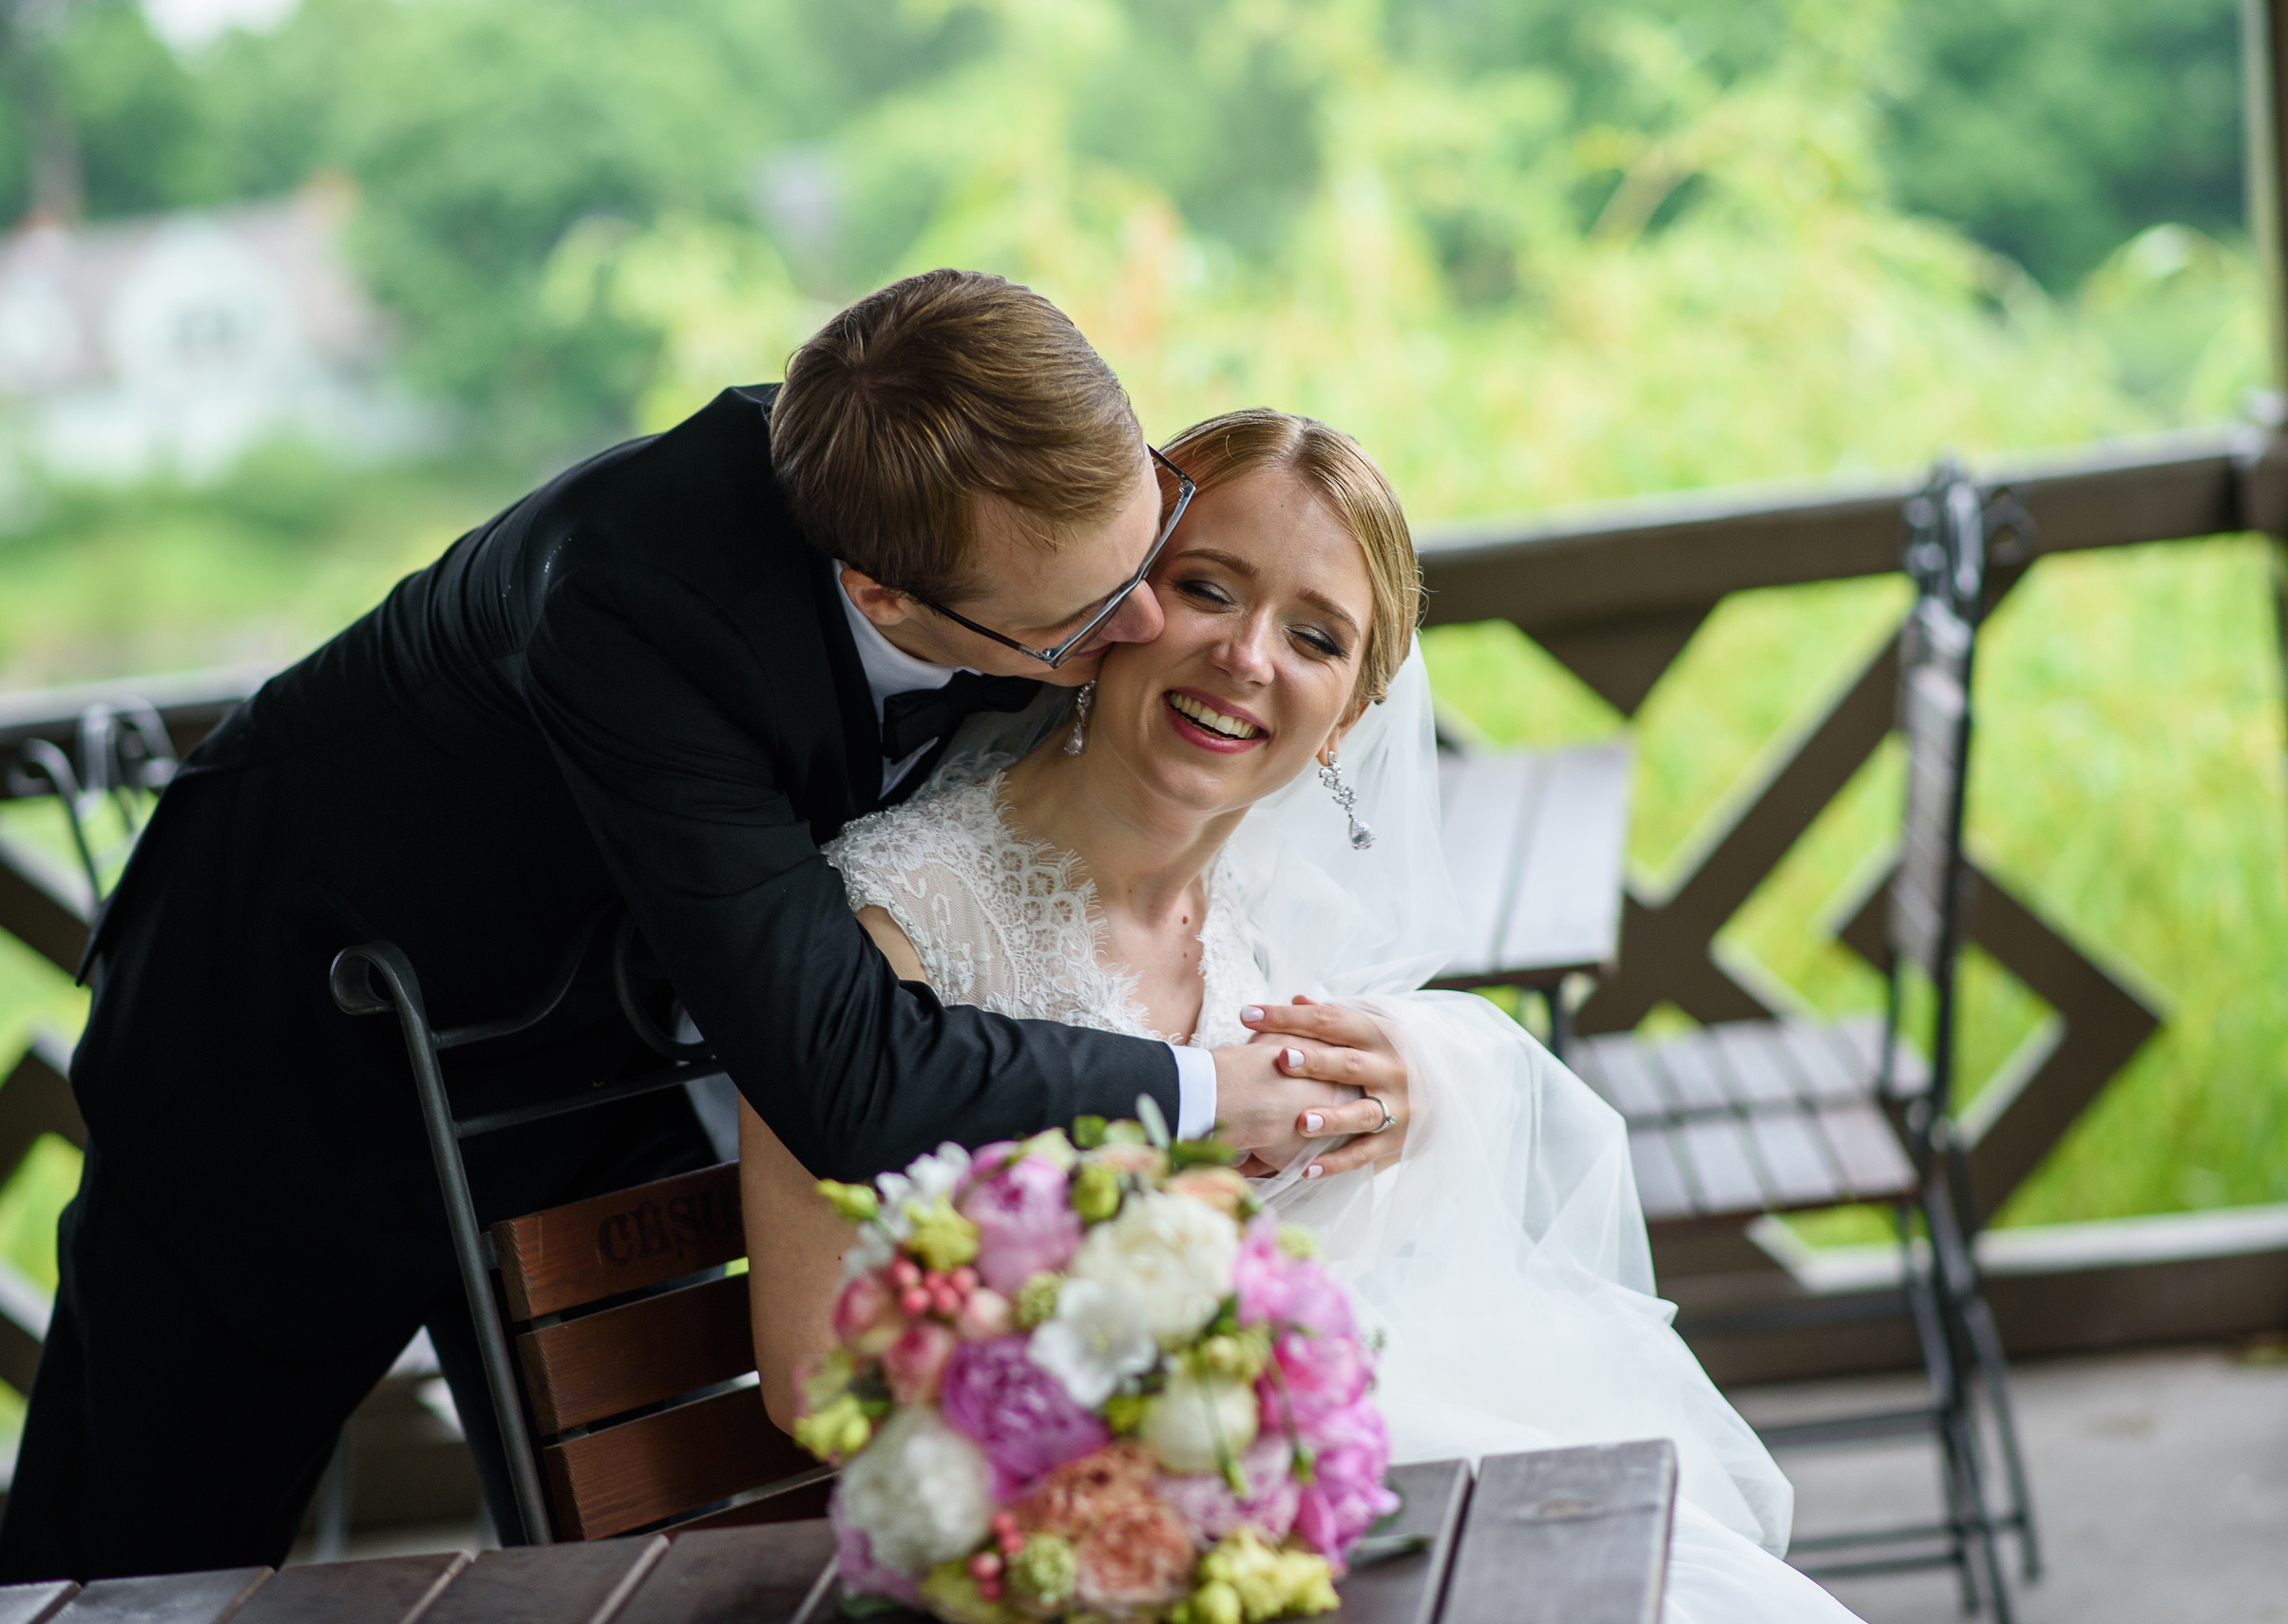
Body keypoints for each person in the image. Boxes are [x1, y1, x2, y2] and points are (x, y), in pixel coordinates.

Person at [0, 274, 1400, 1578]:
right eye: (1097, 618)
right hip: (285, 1057)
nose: (1154, 618)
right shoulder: (640, 607)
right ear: (886, 599)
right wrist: (1204, 1091)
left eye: (1152, 534)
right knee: (130, 1563)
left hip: (624, 1054)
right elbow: (850, 1073)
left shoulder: (974, 483)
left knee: (642, 1540)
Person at [739, 409, 1866, 1623]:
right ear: (1110, 602)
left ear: (1354, 711)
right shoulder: (885, 922)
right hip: (1065, 1540)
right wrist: (1129, 1453)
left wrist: (1421, 1085)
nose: (1247, 657)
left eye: (1315, 636)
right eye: (1206, 588)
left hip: (1346, 1482)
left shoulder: (1287, 912)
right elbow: (811, 1374)